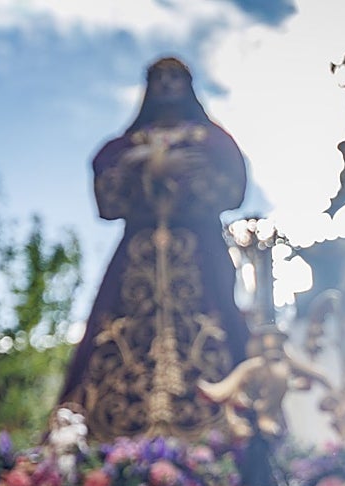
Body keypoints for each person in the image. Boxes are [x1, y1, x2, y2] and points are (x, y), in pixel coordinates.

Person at [59, 56, 249, 442]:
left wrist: (182, 170)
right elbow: (107, 203)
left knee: (217, 329)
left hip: (198, 253)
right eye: (158, 78)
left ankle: (228, 429)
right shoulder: (126, 145)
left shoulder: (210, 140)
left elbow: (232, 190)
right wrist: (144, 163)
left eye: (175, 77)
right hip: (137, 255)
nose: (166, 86)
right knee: (114, 339)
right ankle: (100, 433)